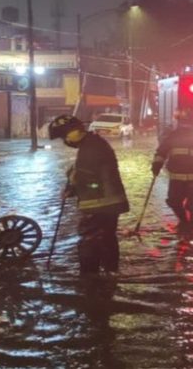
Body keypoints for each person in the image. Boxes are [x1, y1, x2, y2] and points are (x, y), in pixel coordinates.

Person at [48, 114, 130, 275]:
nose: (64, 141)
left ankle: (88, 277)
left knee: (89, 240)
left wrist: (72, 187)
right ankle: (110, 272)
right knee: (107, 238)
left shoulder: (90, 148)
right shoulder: (93, 143)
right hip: (110, 202)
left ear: (73, 132)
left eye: (63, 136)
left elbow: (87, 177)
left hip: (99, 203)